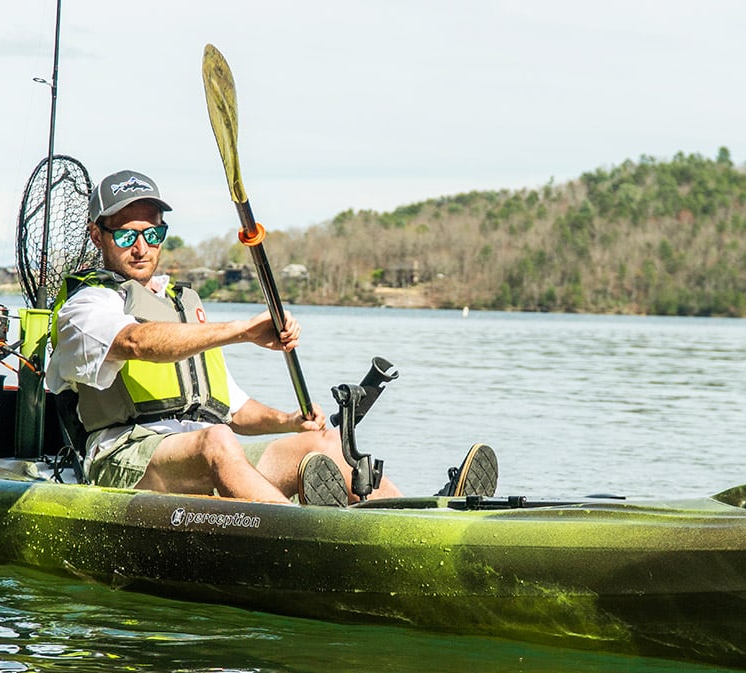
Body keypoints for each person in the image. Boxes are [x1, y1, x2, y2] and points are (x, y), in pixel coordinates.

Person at [47, 169, 497, 505]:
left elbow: (234, 408)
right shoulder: (87, 306)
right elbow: (137, 344)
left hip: (205, 453)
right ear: (97, 235)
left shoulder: (182, 302)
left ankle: (414, 514)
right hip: (126, 459)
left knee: (321, 444)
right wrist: (244, 329)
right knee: (217, 441)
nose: (141, 246)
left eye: (152, 233)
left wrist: (290, 421)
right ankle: (314, 538)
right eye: (126, 233)